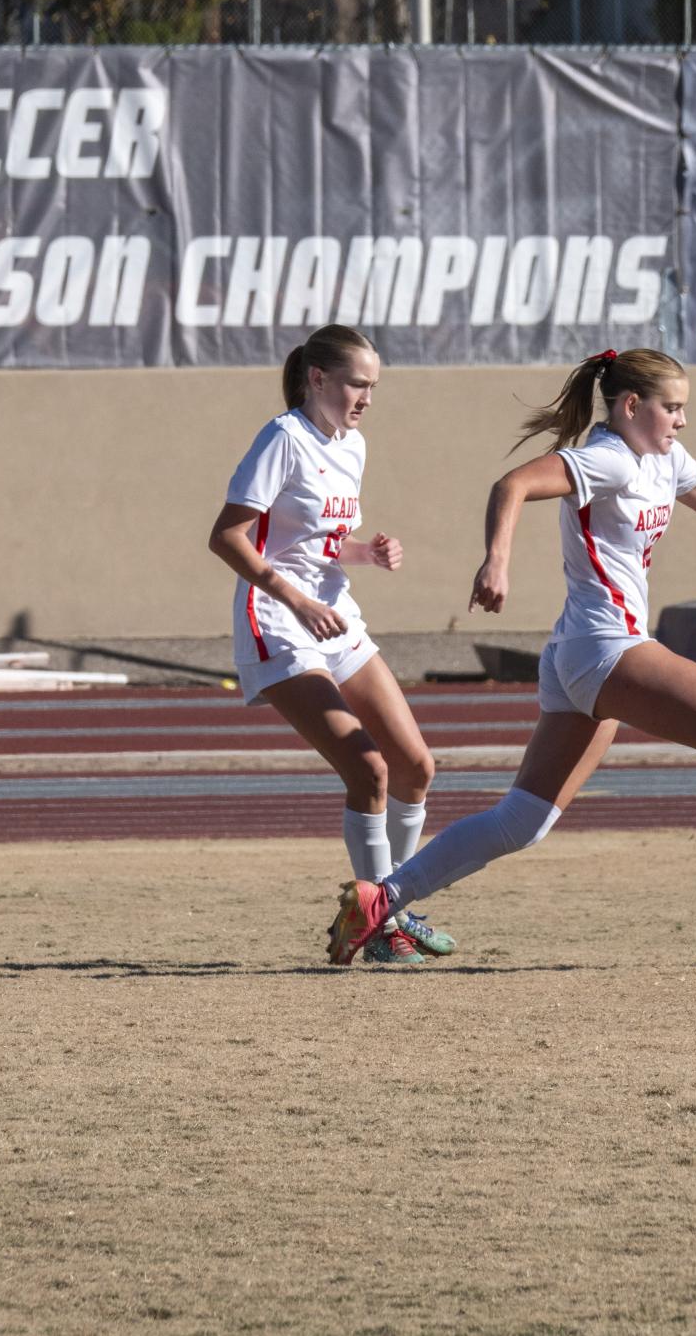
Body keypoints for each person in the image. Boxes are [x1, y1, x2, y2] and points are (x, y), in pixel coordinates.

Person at [325, 346, 696, 964]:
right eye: (673, 408)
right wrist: (496, 560)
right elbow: (514, 484)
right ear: (632, 406)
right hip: (606, 645)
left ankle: (379, 901)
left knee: (522, 820)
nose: (682, 421)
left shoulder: (664, 456)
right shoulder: (610, 458)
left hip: (580, 653)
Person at [208, 324, 451, 965]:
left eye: (374, 385)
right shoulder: (281, 438)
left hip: (335, 616)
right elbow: (228, 538)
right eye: (356, 384)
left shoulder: (352, 444)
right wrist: (296, 599)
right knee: (368, 769)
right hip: (281, 622)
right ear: (318, 380)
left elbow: (314, 540)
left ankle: (392, 905)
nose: (367, 396)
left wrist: (364, 552)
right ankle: (380, 929)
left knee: (416, 767)